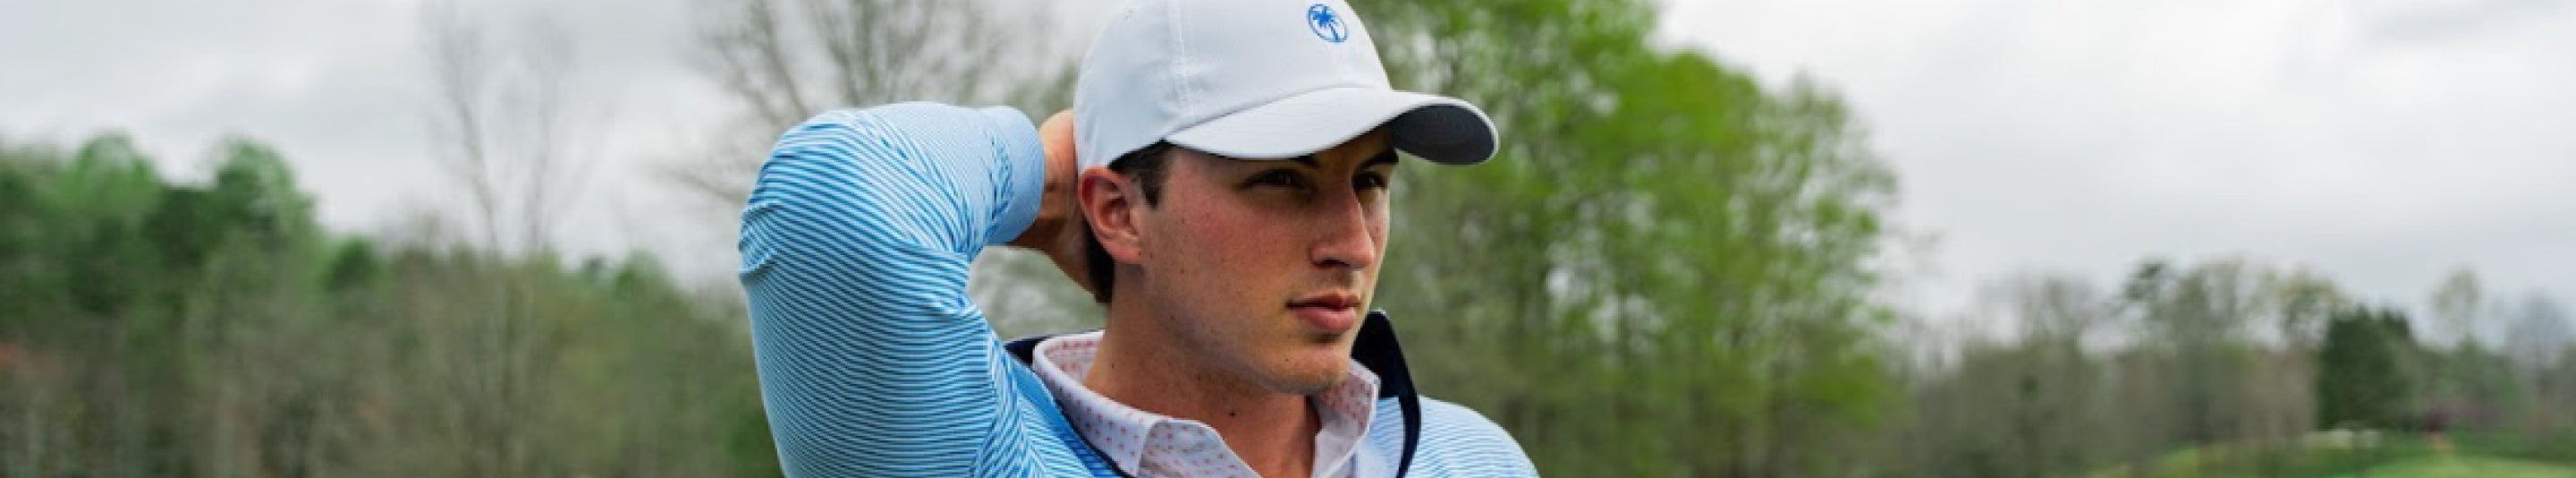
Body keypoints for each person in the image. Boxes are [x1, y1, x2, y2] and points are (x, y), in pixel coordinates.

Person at [736, 0, 1537, 476]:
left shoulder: (1471, 458)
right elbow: (834, 200)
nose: (1353, 245)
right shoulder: (976, 453)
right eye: (1283, 181)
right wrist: (1050, 173)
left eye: (1369, 182)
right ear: (1118, 211)